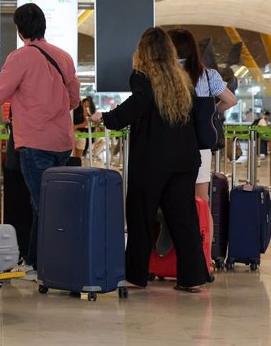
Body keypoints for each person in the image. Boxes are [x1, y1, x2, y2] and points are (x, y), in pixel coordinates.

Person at [0, 3, 80, 276]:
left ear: (20, 31)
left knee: (41, 204)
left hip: (35, 142)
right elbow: (73, 100)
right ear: (44, 25)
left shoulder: (20, 58)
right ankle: (41, 260)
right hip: (63, 142)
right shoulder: (64, 57)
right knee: (50, 203)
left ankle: (42, 264)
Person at [91, 27, 209, 292]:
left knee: (141, 216)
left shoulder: (143, 76)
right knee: (183, 218)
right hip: (185, 160)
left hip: (153, 160)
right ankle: (192, 279)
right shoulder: (182, 79)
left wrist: (107, 118)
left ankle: (136, 275)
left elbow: (138, 104)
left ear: (143, 51)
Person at [168, 28, 238, 264]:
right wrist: (212, 113)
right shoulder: (208, 76)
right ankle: (205, 259)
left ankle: (170, 258)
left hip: (172, 146)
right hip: (200, 146)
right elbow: (231, 100)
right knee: (201, 201)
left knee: (170, 199)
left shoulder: (166, 73)